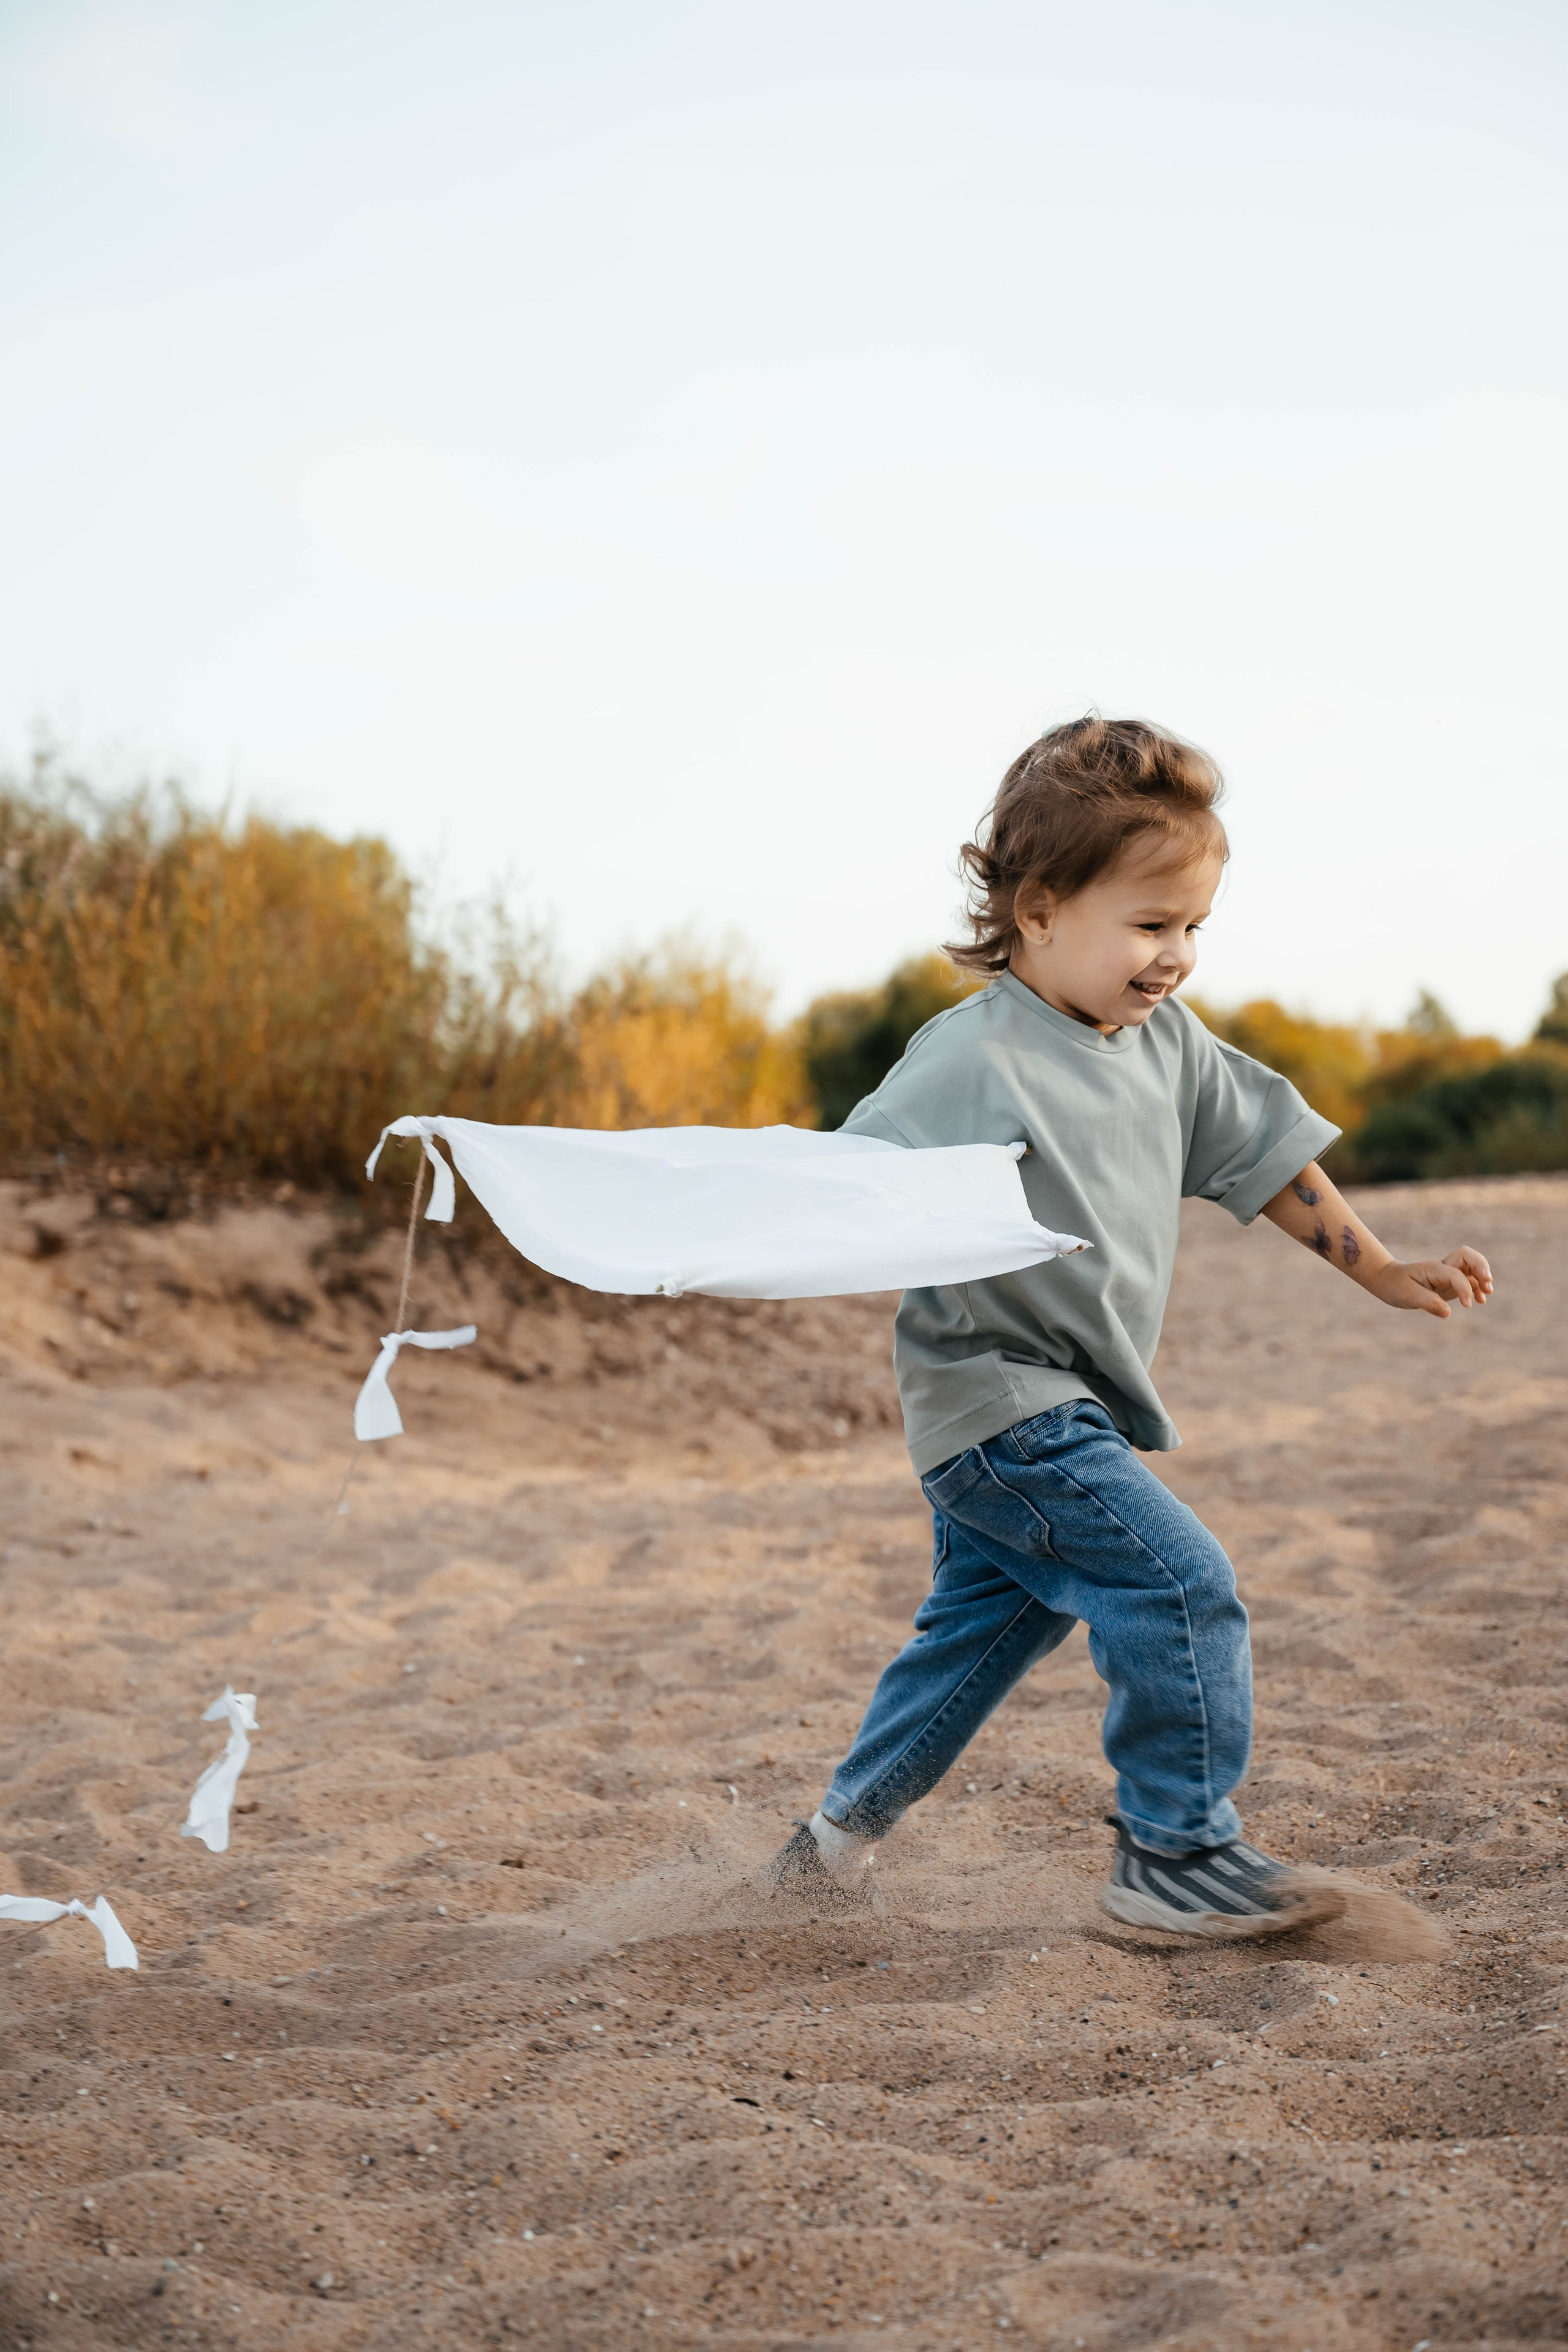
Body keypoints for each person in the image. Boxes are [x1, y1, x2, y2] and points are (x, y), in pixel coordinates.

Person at [771, 716, 1493, 1937]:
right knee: (1178, 1583)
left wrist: (1377, 1270)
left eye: (1192, 928)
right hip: (995, 1401)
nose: (1174, 959)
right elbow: (847, 1190)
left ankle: (825, 1851)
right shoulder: (969, 1059)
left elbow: (1262, 1158)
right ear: (1039, 912)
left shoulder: (1165, 1046)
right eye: (1148, 927)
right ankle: (1172, 1854)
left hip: (1062, 1402)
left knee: (976, 1638)